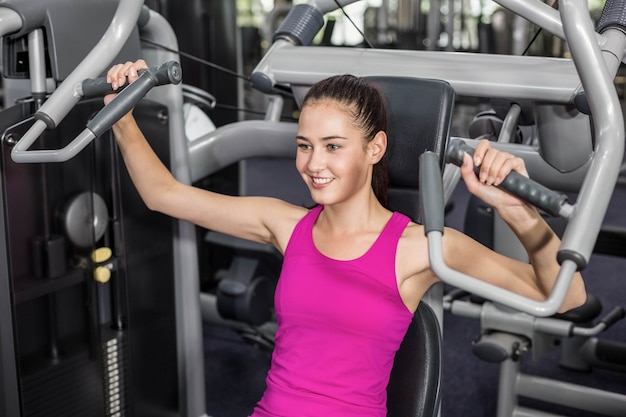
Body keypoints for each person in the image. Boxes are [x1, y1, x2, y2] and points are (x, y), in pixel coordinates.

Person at [105, 60, 586, 417]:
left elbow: (563, 298)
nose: (314, 164)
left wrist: (519, 214)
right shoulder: (285, 224)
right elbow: (162, 194)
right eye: (305, 146)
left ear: (376, 148)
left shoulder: (421, 247)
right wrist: (121, 115)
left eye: (333, 147)